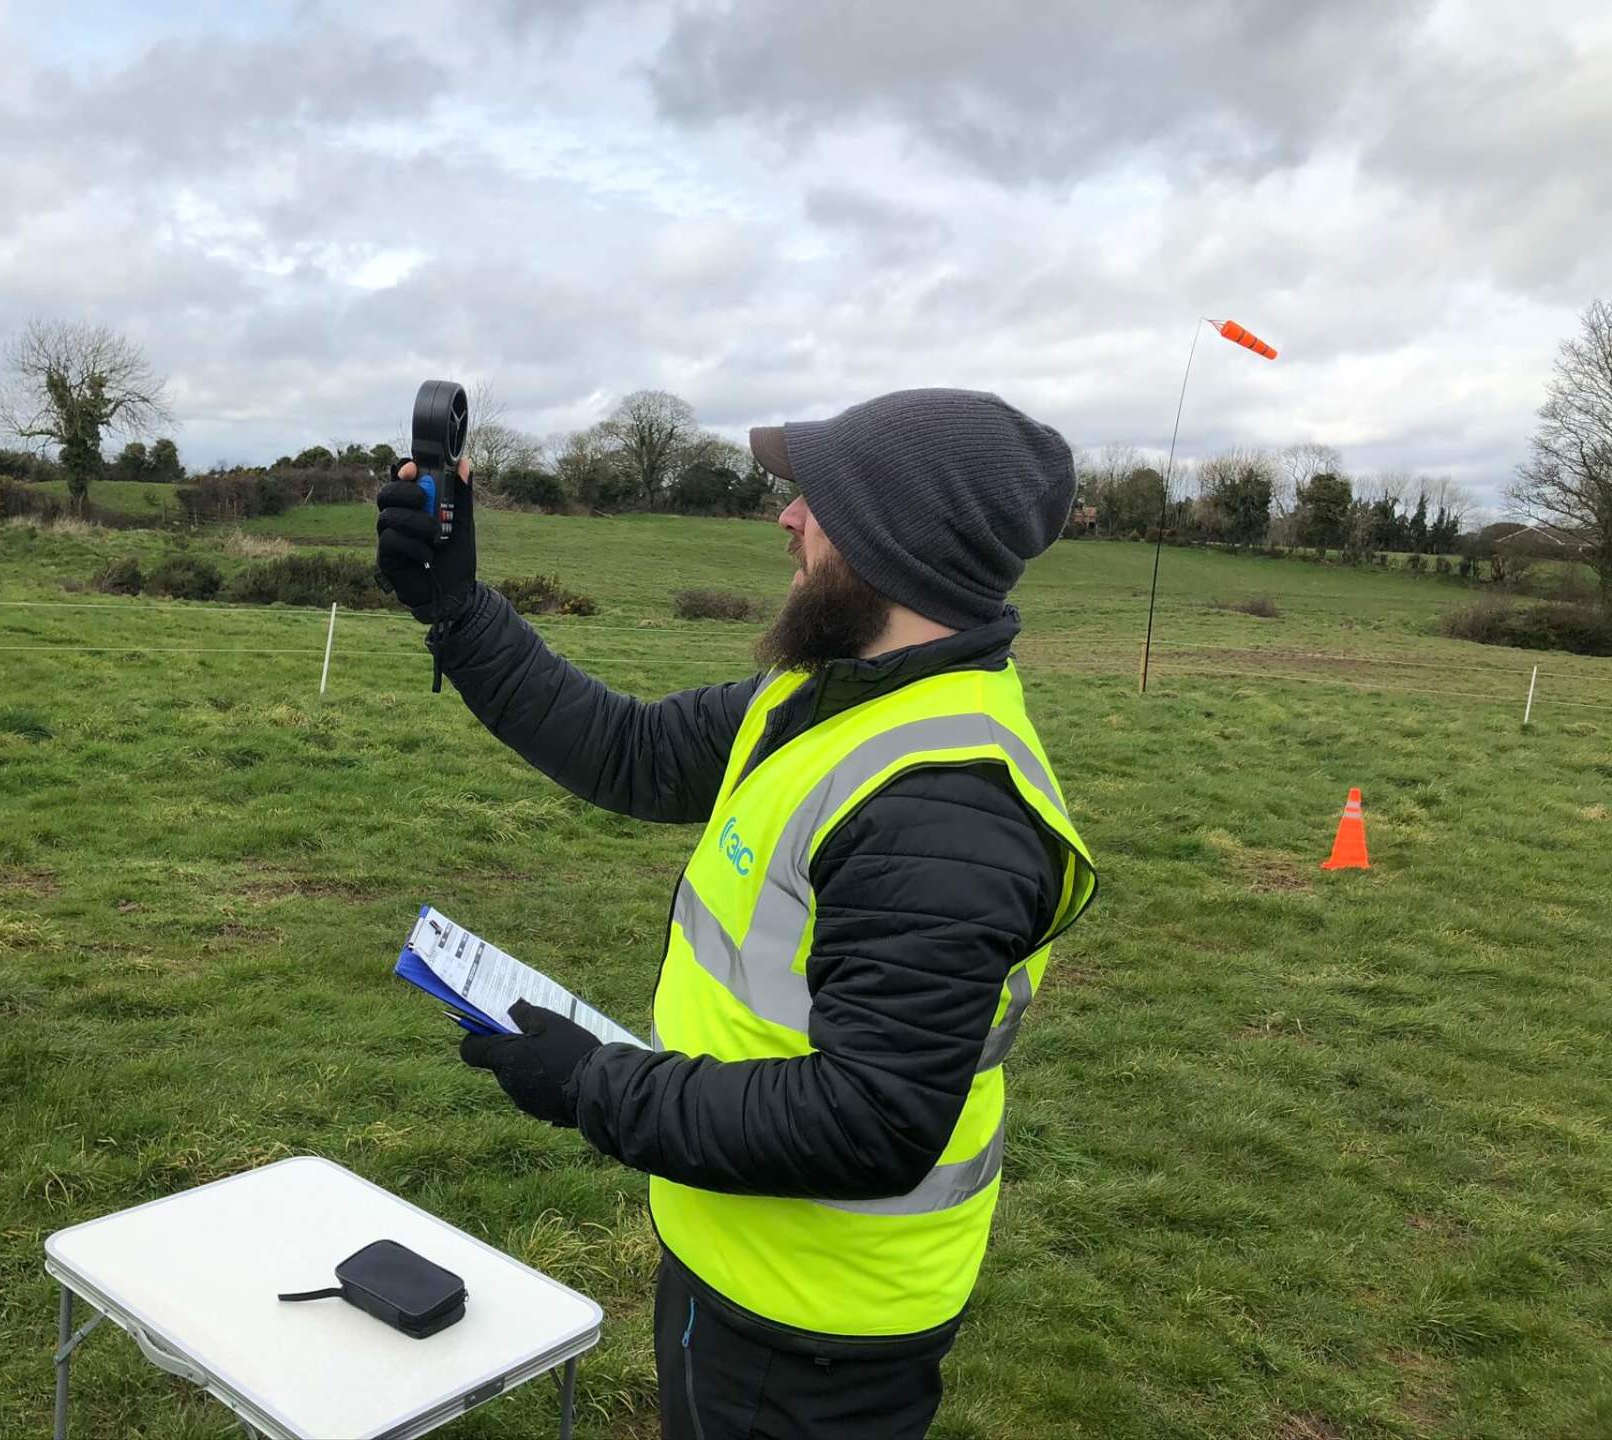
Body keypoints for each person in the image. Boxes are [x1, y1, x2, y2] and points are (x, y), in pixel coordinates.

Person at [375, 388, 1098, 1439]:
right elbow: (626, 749)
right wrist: (457, 609)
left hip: (816, 1317)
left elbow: (869, 1120)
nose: (788, 519)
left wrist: (592, 1084)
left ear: (898, 543)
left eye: (820, 501)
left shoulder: (944, 805)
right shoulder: (829, 697)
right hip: (739, 1249)